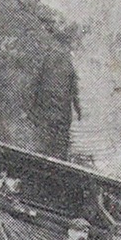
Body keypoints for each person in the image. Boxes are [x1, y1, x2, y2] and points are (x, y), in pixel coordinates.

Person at [30, 15, 82, 160]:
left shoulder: (48, 60)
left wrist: (33, 108)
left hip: (47, 111)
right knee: (59, 145)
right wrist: (78, 110)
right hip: (60, 114)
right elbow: (74, 92)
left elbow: (35, 84)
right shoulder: (68, 64)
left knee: (46, 142)